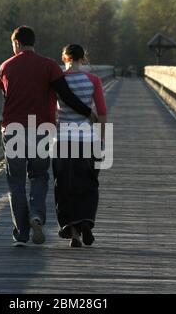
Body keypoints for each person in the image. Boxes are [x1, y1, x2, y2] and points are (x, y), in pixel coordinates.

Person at [0, 26, 98, 247]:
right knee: (39, 175)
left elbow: (6, 95)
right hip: (42, 128)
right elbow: (66, 95)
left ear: (16, 43)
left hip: (13, 128)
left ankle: (22, 233)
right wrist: (87, 112)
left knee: (15, 180)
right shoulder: (50, 66)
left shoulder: (6, 66)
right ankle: (36, 216)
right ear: (33, 43)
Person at [53, 44, 108, 248]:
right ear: (83, 59)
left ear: (64, 58)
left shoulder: (58, 81)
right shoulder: (93, 80)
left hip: (63, 138)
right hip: (88, 138)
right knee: (89, 182)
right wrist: (103, 140)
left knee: (64, 184)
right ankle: (86, 222)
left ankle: (73, 230)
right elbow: (101, 111)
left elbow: (52, 111)